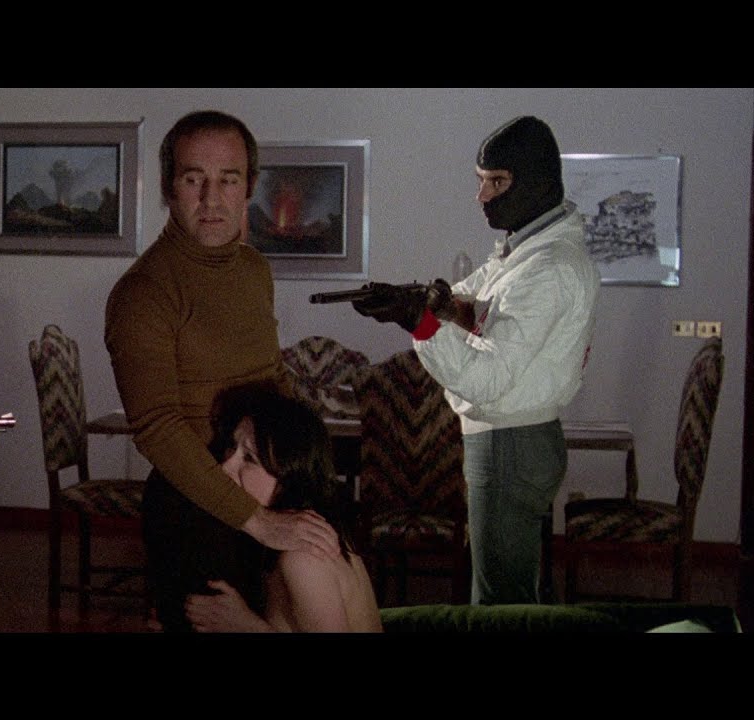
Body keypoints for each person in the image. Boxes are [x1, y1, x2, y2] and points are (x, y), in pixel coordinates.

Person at [104, 110, 339, 632]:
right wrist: (258, 522)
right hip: (197, 506)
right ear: (169, 187)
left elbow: (273, 381)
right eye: (194, 180)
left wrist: (299, 484)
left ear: (249, 186)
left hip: (263, 491)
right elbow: (158, 429)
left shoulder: (254, 270)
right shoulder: (143, 292)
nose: (211, 199)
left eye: (228, 180)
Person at [351, 115, 600, 605]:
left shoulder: (548, 267)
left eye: (496, 182)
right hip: (514, 440)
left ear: (537, 183)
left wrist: (420, 323)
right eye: (481, 180)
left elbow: (486, 379)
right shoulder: (527, 251)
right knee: (504, 595)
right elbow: (479, 301)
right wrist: (425, 302)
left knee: (498, 604)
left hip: (510, 444)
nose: (482, 196)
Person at [184, 383, 382, 632]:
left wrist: (246, 626)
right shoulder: (285, 538)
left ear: (289, 476)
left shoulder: (303, 558)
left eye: (249, 458)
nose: (224, 467)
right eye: (232, 448)